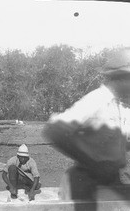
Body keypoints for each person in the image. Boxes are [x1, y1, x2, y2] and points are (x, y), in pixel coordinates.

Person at [43, 48, 130, 201]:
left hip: (111, 181)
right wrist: (91, 162)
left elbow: (125, 141)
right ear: (122, 77)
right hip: (85, 182)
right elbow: (54, 130)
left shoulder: (122, 107)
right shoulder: (97, 99)